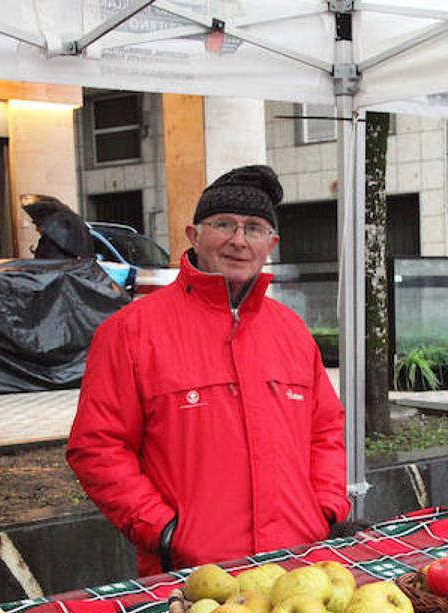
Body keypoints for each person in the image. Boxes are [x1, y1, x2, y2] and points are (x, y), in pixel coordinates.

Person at [67, 164, 350, 576]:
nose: (238, 240)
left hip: (298, 568)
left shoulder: (290, 331)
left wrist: (324, 508)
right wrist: (163, 531)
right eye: (224, 224)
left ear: (271, 243)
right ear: (193, 235)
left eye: (253, 228)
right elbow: (97, 447)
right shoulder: (130, 332)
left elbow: (325, 431)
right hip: (192, 576)